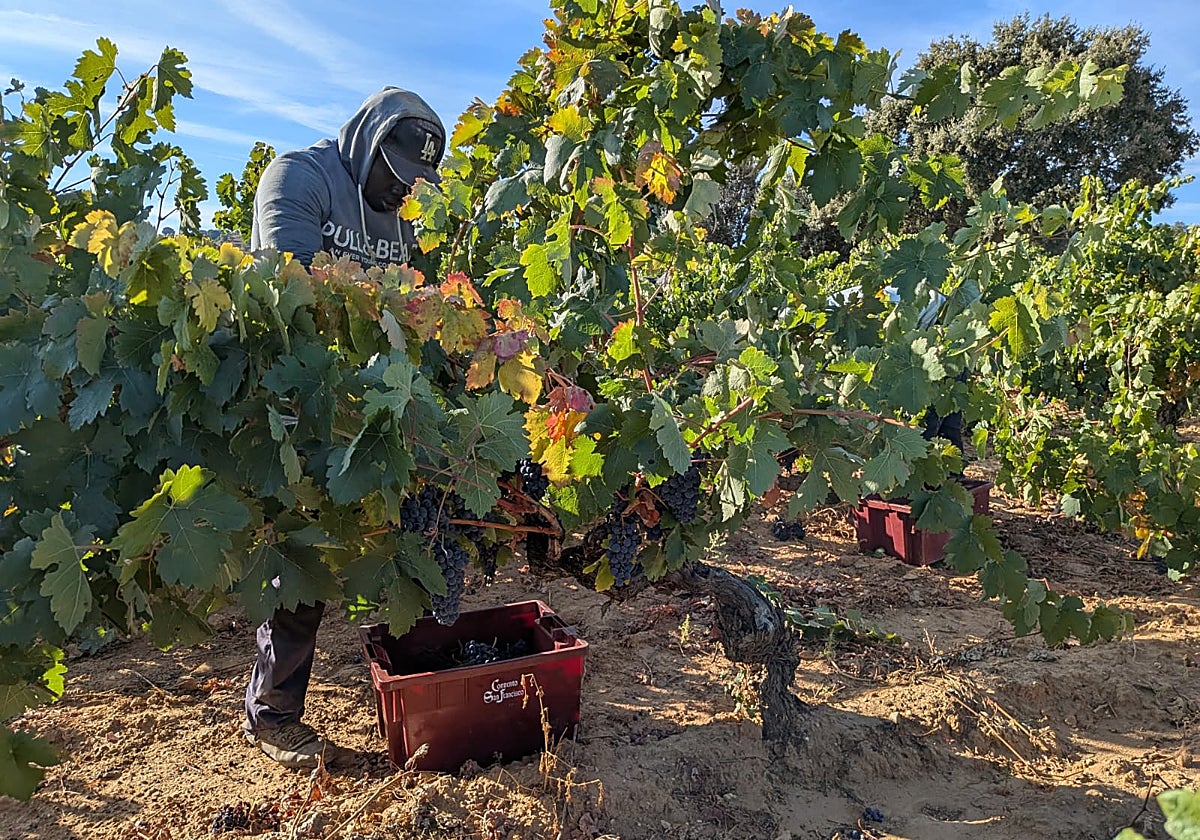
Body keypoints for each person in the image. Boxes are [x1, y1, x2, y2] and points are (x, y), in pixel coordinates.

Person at [244, 87, 445, 768]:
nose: (405, 195)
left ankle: (422, 688)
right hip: (294, 396)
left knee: (417, 538)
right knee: (303, 564)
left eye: (420, 185)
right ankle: (273, 716)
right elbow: (295, 296)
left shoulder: (406, 215)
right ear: (367, 145)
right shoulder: (299, 177)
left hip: (375, 407)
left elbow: (419, 314)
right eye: (397, 177)